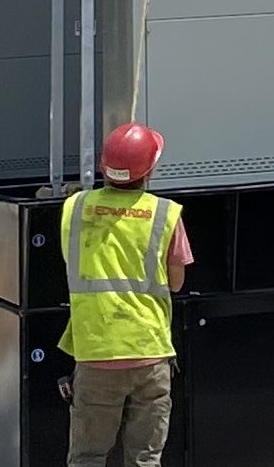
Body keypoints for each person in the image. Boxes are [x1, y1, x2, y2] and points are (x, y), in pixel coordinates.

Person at [59, 123, 187, 467]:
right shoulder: (165, 213)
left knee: (87, 457)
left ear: (105, 166)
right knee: (145, 459)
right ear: (150, 168)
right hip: (149, 350)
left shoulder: (75, 208)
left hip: (95, 350)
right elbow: (176, 283)